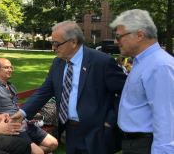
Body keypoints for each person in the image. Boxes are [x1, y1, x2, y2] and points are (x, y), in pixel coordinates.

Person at [11, 21, 127, 154]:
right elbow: (44, 91)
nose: (53, 48)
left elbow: (126, 92)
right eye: (52, 43)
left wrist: (110, 121)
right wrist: (22, 113)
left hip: (97, 133)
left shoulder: (101, 62)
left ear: (73, 42)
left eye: (57, 43)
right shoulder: (58, 63)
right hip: (70, 132)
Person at [110, 9, 174, 154]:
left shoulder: (160, 66)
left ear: (139, 35)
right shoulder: (142, 62)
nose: (115, 41)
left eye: (119, 36)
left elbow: (167, 121)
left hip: (146, 145)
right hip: (135, 143)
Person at [0, 58, 58, 154]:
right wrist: (9, 122)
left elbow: (16, 108)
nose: (10, 70)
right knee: (39, 152)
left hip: (25, 123)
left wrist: (26, 117)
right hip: (15, 128)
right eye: (6, 67)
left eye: (11, 67)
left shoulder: (11, 86)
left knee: (53, 143)